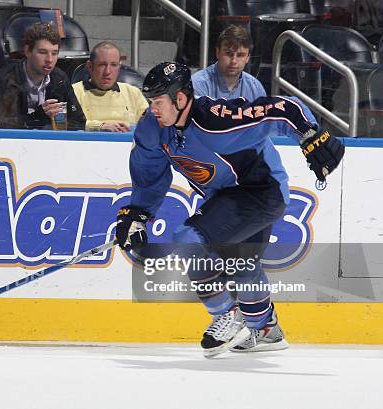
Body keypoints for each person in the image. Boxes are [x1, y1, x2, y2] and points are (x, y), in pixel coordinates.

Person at [115, 62, 344, 358]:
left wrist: (309, 133)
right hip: (226, 196)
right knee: (242, 265)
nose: (153, 109)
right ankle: (265, 329)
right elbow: (149, 174)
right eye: (150, 102)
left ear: (181, 99)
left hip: (263, 191)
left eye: (158, 102)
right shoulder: (151, 129)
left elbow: (282, 109)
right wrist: (138, 214)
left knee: (187, 240)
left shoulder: (213, 120)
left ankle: (227, 315)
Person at [0, 22, 85, 130]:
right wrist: (39, 116)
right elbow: (1, 125)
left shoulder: (60, 79)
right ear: (27, 51)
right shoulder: (3, 80)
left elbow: (78, 121)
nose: (49, 60)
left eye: (54, 53)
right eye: (43, 52)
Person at [72, 41, 148, 132]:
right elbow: (70, 123)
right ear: (90, 66)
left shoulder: (133, 93)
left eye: (113, 65)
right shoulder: (75, 92)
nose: (107, 71)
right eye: (102, 65)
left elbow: (150, 125)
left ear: (119, 66)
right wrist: (100, 126)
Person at [191, 25, 265, 100]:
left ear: (248, 58)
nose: (234, 61)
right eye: (228, 54)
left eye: (240, 55)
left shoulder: (256, 88)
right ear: (217, 52)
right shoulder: (197, 84)